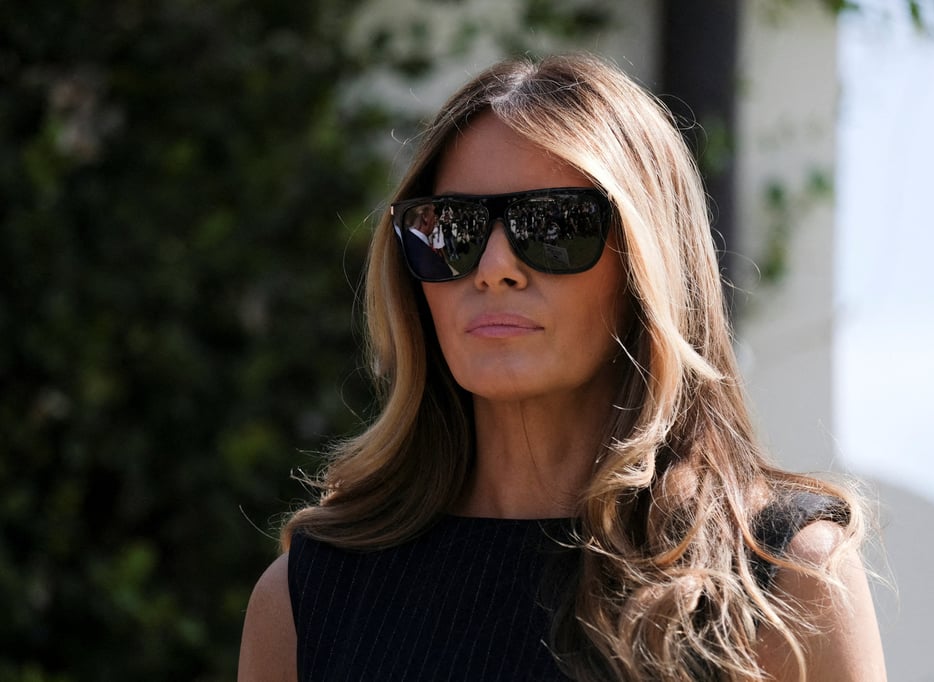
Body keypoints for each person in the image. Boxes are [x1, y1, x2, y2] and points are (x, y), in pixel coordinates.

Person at [238, 53, 886, 681]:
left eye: (551, 225)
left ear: (644, 267)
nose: (494, 268)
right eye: (452, 229)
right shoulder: (306, 599)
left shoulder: (782, 576)